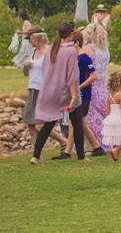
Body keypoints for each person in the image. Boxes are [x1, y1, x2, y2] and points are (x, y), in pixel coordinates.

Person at [31, 22, 85, 164]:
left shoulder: (51, 49)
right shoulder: (71, 51)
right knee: (77, 123)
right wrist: (74, 96)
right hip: (65, 93)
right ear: (71, 33)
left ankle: (35, 156)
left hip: (50, 91)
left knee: (48, 124)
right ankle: (81, 157)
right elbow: (72, 76)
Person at [22, 26, 66, 152]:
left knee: (39, 125)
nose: (30, 41)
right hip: (32, 89)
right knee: (31, 126)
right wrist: (25, 66)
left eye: (30, 38)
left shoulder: (50, 51)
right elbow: (26, 73)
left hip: (44, 90)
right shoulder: (33, 52)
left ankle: (63, 141)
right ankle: (36, 154)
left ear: (35, 37)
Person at [70, 29, 105, 157]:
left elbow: (93, 76)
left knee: (81, 121)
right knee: (75, 122)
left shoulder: (84, 58)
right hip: (76, 93)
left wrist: (80, 86)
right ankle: (68, 151)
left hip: (84, 94)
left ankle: (96, 146)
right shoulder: (73, 58)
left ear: (76, 43)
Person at [82, 21, 110, 151]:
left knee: (90, 118)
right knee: (103, 115)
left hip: (91, 86)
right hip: (103, 87)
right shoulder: (105, 51)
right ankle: (107, 142)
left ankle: (97, 145)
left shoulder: (88, 49)